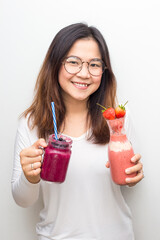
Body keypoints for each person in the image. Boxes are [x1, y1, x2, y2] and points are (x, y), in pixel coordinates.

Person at [11, 23, 144, 240]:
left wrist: (134, 176)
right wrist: (29, 176)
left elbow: (129, 177)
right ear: (55, 65)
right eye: (73, 62)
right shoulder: (31, 123)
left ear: (103, 71)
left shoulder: (117, 117)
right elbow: (22, 200)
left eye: (94, 64)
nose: (83, 74)